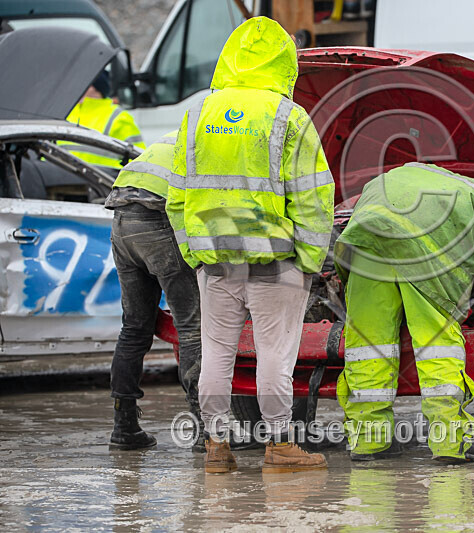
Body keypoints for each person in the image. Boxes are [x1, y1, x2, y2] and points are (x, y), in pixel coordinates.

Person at [167, 17, 334, 474]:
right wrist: (309, 260)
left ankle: (216, 448)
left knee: (216, 353)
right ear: (284, 63)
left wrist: (194, 253)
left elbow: (177, 194)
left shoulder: (198, 113)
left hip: (215, 261)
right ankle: (280, 446)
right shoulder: (288, 117)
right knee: (275, 356)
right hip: (274, 262)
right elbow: (315, 196)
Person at [335, 162, 474, 464]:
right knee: (437, 348)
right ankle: (451, 444)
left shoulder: (416, 180)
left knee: (367, 348)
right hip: (421, 256)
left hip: (364, 248)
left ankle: (368, 442)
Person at [106, 131, 202, 450]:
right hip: (156, 220)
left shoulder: (174, 137)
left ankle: (125, 427)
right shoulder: (208, 145)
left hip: (121, 221)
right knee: (192, 329)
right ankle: (206, 430)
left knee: (134, 328)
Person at [65, 71, 146, 167]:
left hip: (104, 180)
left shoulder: (119, 117)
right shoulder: (67, 113)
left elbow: (140, 162)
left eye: (82, 82)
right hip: (58, 180)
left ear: (94, 87)